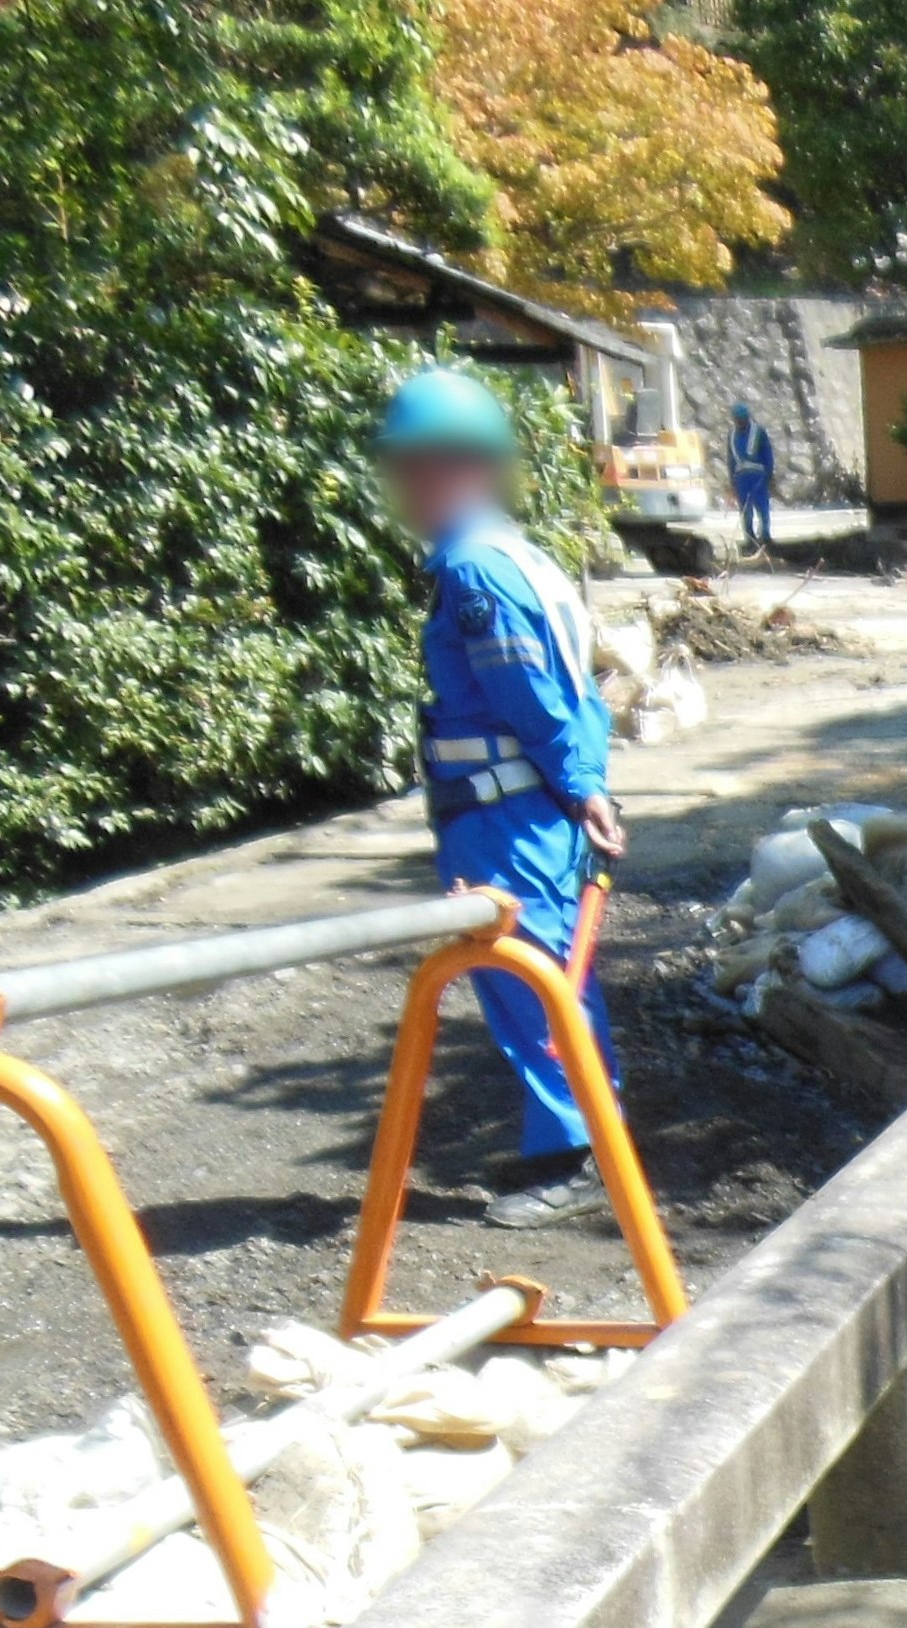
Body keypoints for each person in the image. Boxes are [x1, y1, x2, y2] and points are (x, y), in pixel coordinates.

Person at [371, 366, 626, 1230]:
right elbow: (581, 692)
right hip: (522, 807)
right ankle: (582, 1138)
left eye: (409, 468)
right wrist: (587, 782)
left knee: (532, 976)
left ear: (452, 467)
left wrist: (582, 787)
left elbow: (532, 699)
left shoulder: (476, 575)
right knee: (551, 973)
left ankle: (572, 1154)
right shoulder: (522, 557)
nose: (401, 488)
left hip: (504, 815)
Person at [728, 400, 775, 549]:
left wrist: (768, 475)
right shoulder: (731, 435)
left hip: (758, 478)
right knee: (745, 511)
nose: (740, 422)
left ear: (747, 418)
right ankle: (750, 540)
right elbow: (730, 460)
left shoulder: (759, 432)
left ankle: (766, 537)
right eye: (737, 420)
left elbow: (768, 454)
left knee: (763, 508)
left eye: (742, 419)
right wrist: (733, 483)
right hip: (741, 479)